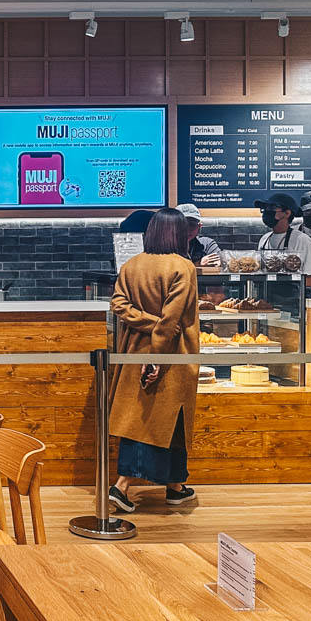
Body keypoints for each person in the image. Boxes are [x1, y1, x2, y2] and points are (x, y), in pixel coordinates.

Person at [107, 207, 200, 512]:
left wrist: (145, 321)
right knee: (154, 419)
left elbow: (118, 304)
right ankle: (122, 486)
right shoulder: (183, 267)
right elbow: (172, 319)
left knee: (158, 419)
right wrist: (158, 350)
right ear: (178, 233)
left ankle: (175, 485)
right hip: (170, 354)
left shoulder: (132, 265)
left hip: (134, 349)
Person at [254, 192, 311, 287]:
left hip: (293, 299)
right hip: (265, 298)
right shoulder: (264, 239)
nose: (267, 212)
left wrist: (286, 282)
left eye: (272, 208)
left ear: (287, 213)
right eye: (265, 208)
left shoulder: (302, 240)